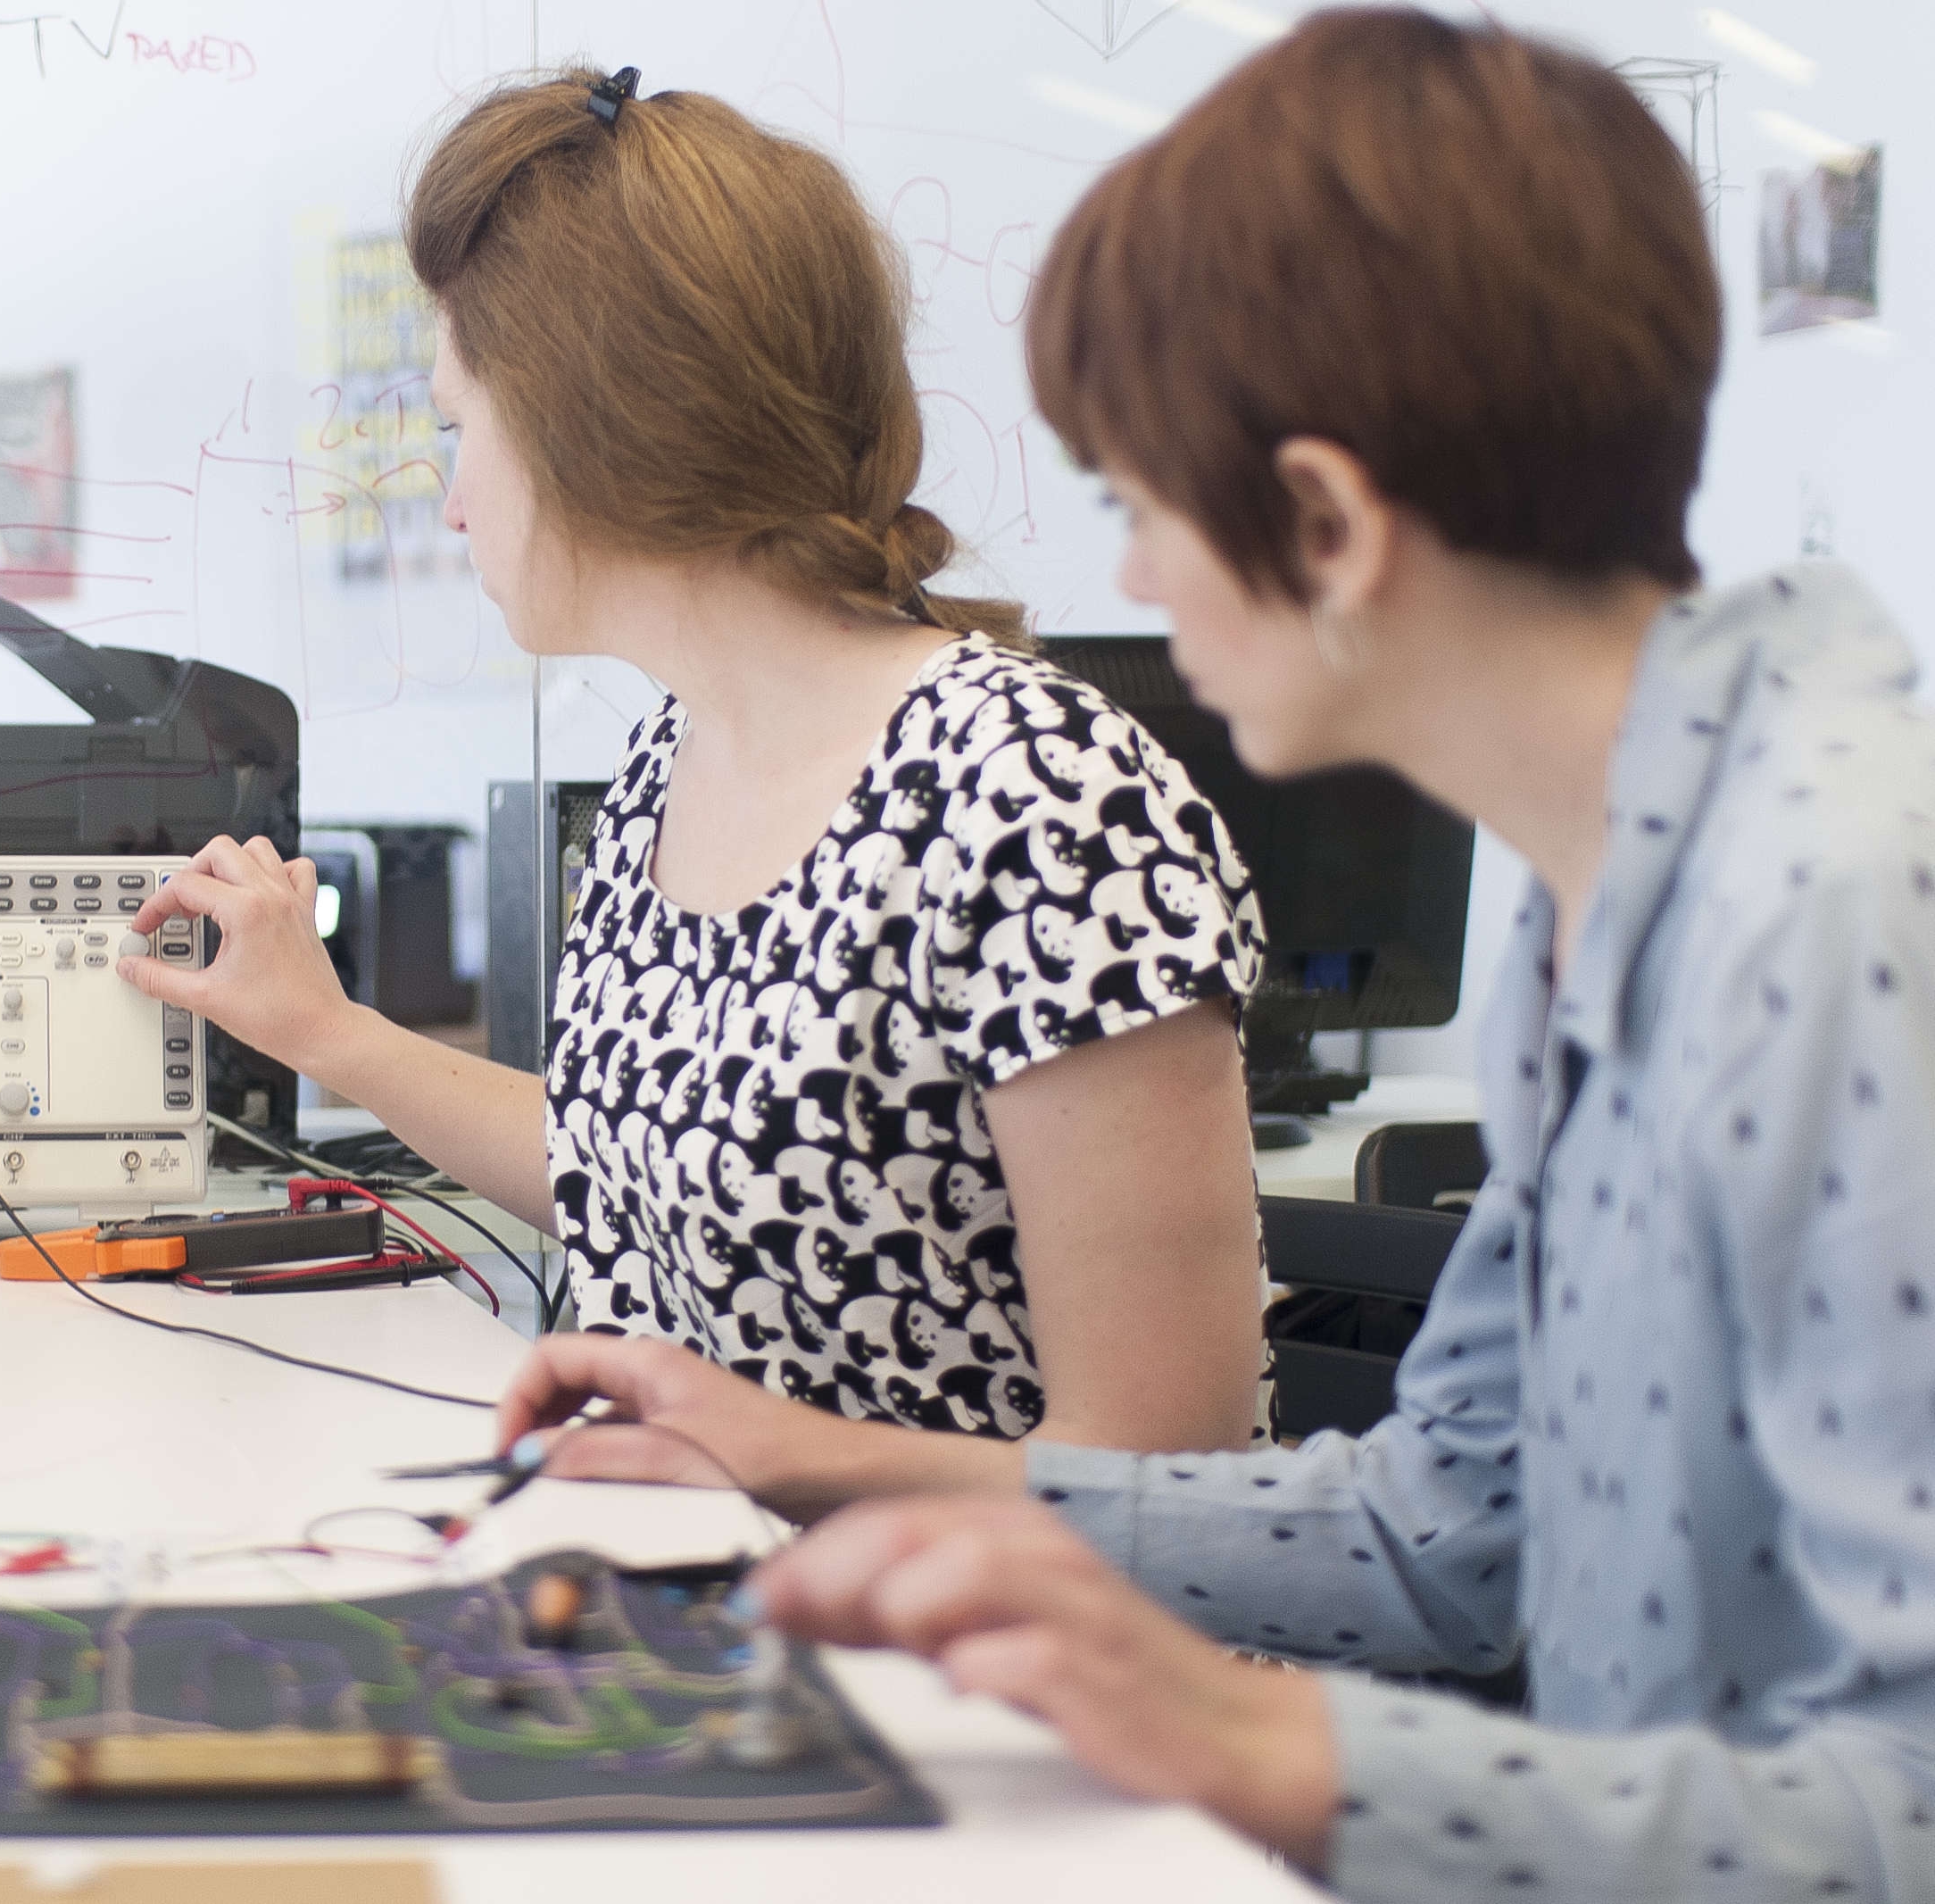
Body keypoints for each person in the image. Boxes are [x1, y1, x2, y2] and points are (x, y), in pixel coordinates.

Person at [488, 12, 1935, 1899]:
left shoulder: (1831, 920)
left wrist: (1263, 1746)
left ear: (1324, 520)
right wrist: (821, 1459)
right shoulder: (1611, 893)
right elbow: (1450, 1529)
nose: (1135, 583)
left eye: (1139, 505)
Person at [120, 70, 1268, 1457]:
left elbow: (1170, 1480)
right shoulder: (670, 760)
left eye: (457, 428)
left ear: (594, 422)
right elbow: (638, 1175)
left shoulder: (1041, 801)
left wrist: (755, 1462)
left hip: (942, 1604)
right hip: (698, 1566)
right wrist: (326, 1031)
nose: (452, 499)